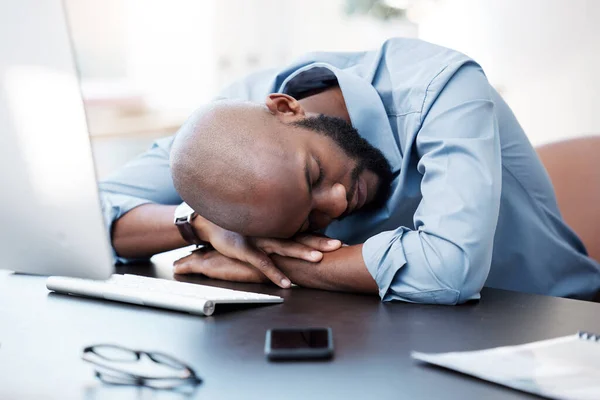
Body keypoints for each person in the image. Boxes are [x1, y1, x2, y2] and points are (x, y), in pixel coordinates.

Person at [100, 38, 600, 304]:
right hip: (390, 332)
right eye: (303, 224)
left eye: (314, 175)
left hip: (547, 325)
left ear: (286, 107)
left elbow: (450, 268)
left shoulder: (441, 86)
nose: (336, 203)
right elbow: (96, 211)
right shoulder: (227, 136)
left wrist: (265, 260)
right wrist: (202, 224)